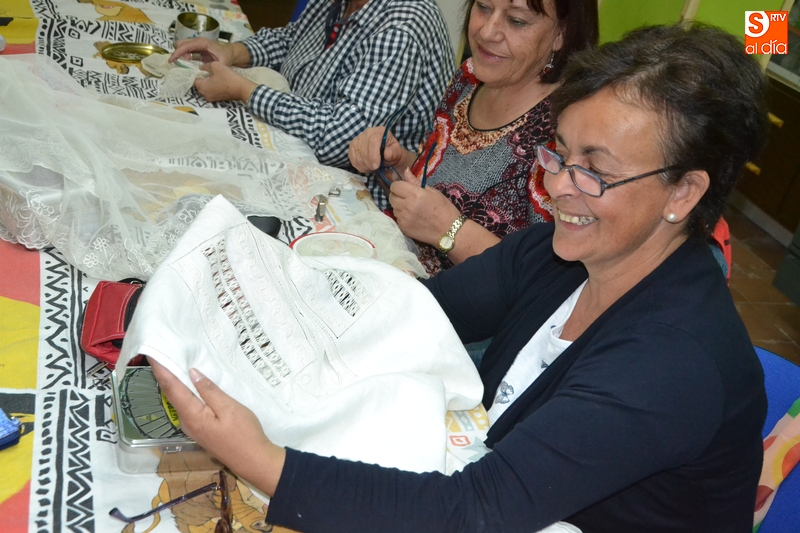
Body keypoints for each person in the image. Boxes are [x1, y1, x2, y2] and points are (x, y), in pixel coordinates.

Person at [151, 24, 769, 532]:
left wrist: (264, 462)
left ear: (683, 192)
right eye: (560, 153)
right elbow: (406, 312)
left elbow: (476, 510)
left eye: (595, 171)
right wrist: (244, 295)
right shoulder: (561, 256)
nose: (558, 186)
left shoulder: (672, 363)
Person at [348, 0, 598, 275]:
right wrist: (394, 163)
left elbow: (543, 280)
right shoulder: (469, 77)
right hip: (396, 269)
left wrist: (448, 229)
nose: (487, 32)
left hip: (453, 299)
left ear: (561, 33)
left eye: (516, 20)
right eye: (483, 7)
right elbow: (434, 190)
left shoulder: (566, 130)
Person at [169, 0, 454, 169]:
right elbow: (294, 40)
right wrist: (232, 52)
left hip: (365, 190)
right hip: (298, 144)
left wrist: (243, 90)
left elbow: (339, 138)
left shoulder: (402, 28)